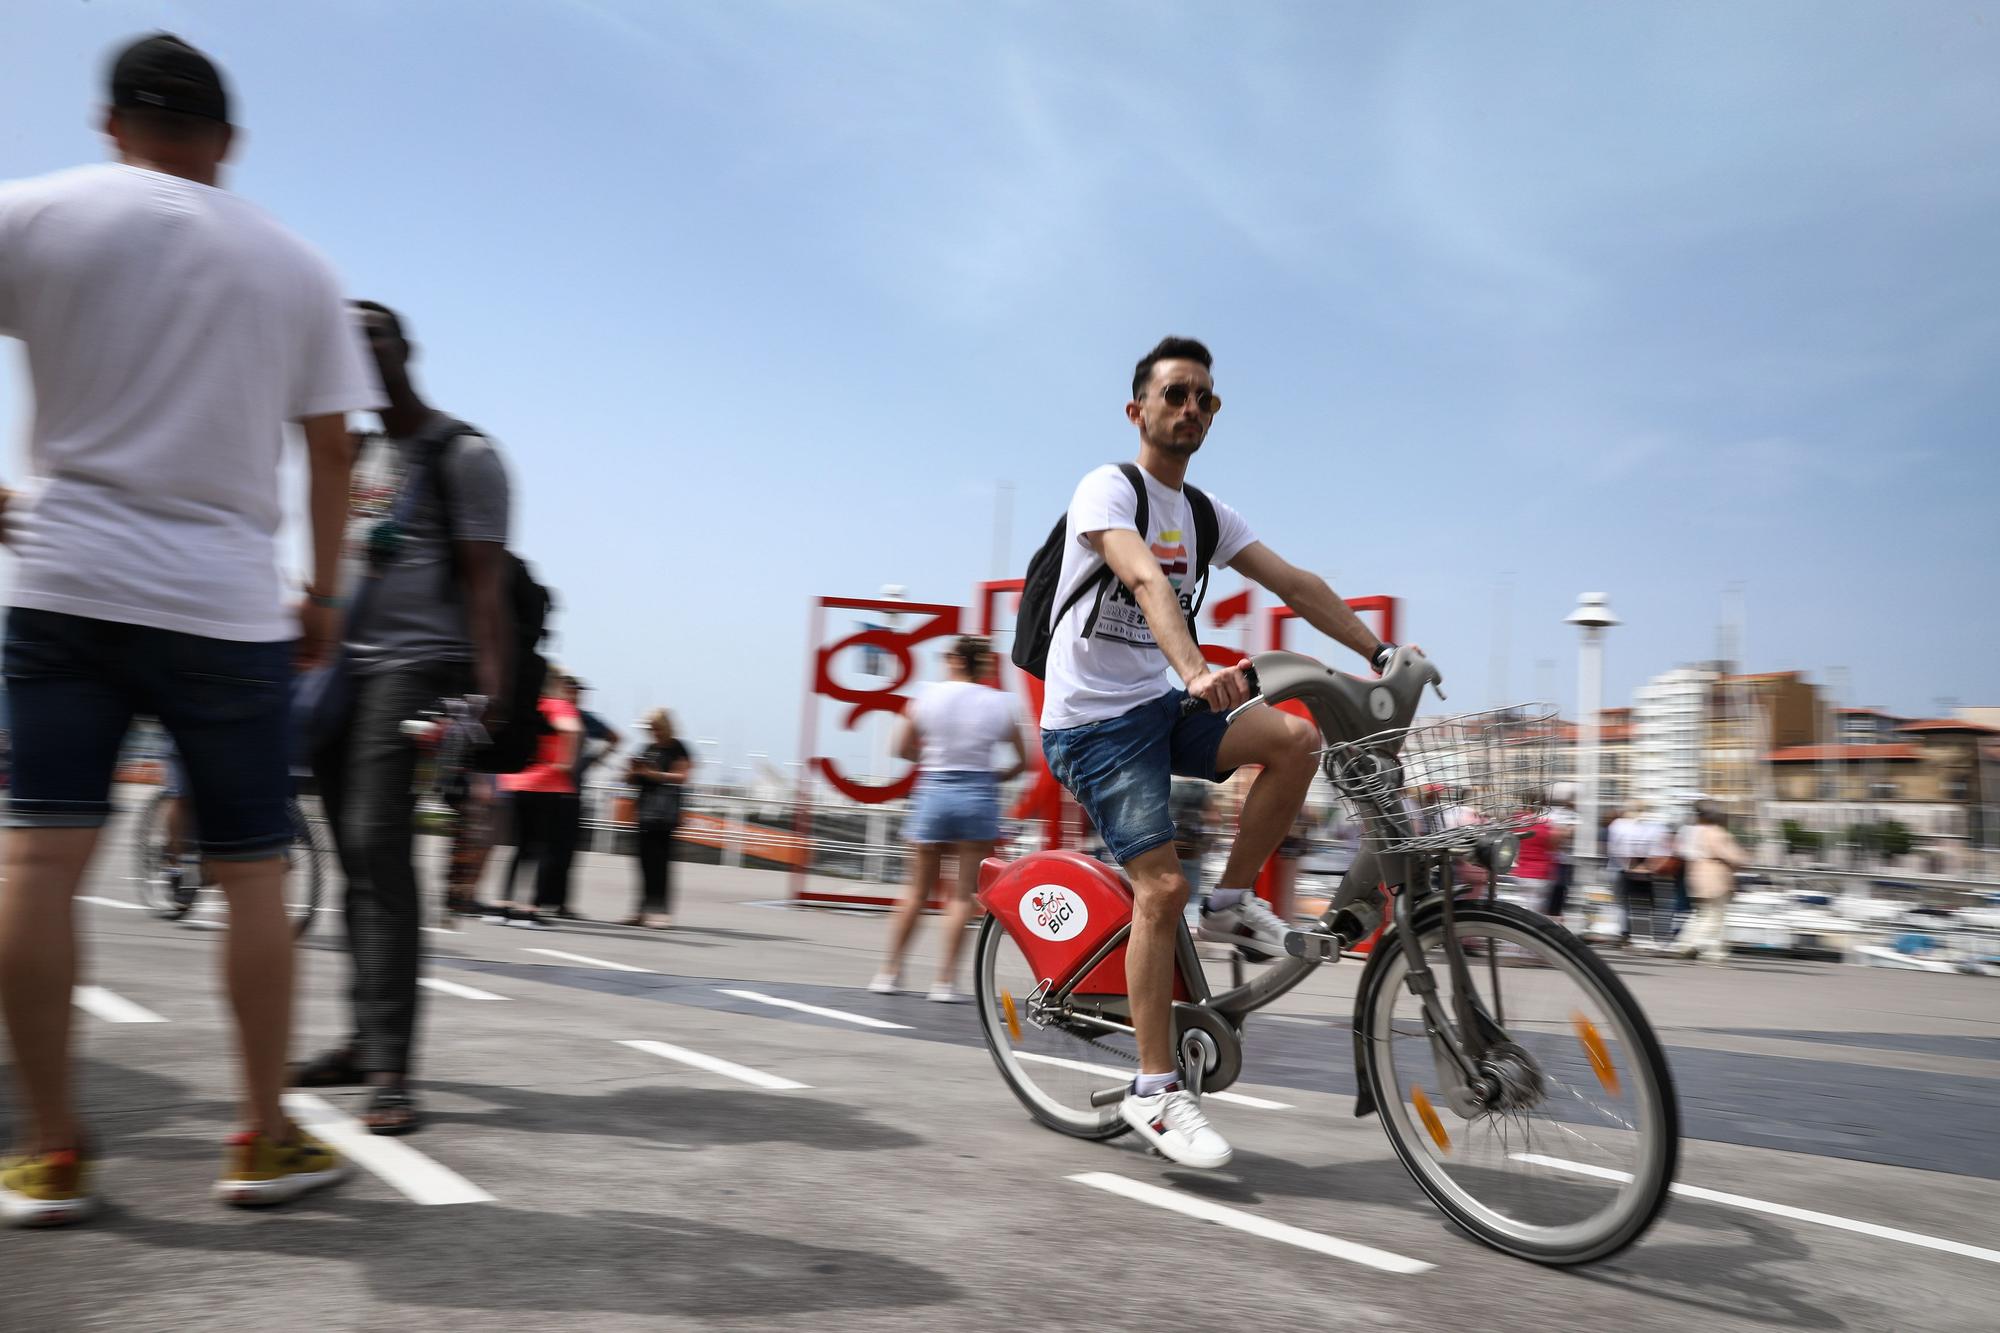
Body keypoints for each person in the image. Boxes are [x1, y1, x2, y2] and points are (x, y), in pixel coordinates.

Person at [0, 34, 377, 1223]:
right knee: (253, 873)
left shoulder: (32, 212)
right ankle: (261, 1138)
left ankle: (50, 1150)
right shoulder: (297, 265)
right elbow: (331, 448)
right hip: (224, 601)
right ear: (226, 143)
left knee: (36, 862)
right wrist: (320, 596)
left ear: (112, 121)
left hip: (61, 576)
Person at [1036, 336, 1400, 1169]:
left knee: (1298, 737)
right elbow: (1143, 579)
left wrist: (1378, 653)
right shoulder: (1108, 488)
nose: (1191, 408)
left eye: (1205, 397)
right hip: (1092, 722)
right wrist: (1194, 668)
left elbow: (1295, 584)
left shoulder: (1206, 513)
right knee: (1159, 884)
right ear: (1139, 410)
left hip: (1158, 706)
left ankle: (1232, 899)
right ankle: (1154, 1090)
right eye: (1175, 395)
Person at [297, 299, 512, 1136]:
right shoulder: (345, 451)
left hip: (418, 668)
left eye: (371, 333)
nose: (353, 346)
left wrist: (486, 685)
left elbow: (485, 581)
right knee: (352, 852)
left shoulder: (465, 454)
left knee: (379, 848)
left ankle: (391, 1067)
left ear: (407, 347)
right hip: (342, 668)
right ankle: (361, 1037)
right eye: (338, 335)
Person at [873, 637, 1029, 1001]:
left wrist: (925, 758)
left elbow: (900, 746)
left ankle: (889, 973)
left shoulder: (928, 695)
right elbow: (1023, 761)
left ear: (957, 659)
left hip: (934, 790)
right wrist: (995, 777)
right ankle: (944, 982)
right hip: (978, 796)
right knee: (961, 896)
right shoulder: (1000, 703)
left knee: (915, 890)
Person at [494, 673, 582, 930]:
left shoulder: (527, 704)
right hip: (547, 783)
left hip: (516, 781)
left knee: (520, 847)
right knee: (542, 847)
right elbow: (571, 728)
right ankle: (528, 910)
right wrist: (565, 762)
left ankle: (502, 905)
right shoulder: (558, 705)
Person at [547, 675, 622, 920]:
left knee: (567, 851)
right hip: (546, 789)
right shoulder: (550, 712)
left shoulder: (584, 718)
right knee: (542, 849)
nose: (576, 695)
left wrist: (592, 761)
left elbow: (615, 737)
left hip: (573, 791)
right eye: (571, 690)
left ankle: (560, 903)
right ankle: (538, 900)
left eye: (579, 691)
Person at [626, 709, 692, 928]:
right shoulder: (648, 749)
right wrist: (633, 773)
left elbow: (683, 776)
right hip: (645, 811)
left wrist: (657, 775)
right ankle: (642, 910)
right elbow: (637, 779)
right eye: (649, 728)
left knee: (660, 864)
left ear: (664, 726)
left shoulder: (677, 747)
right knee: (643, 864)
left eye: (655, 727)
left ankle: (662, 912)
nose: (652, 732)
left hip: (665, 813)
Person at [1675, 802, 1745, 962]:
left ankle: (1696, 946)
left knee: (1701, 914)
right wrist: (1743, 859)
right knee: (1714, 915)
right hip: (1715, 876)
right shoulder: (1716, 833)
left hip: (1696, 874)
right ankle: (1693, 944)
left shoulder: (1693, 831)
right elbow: (1732, 855)